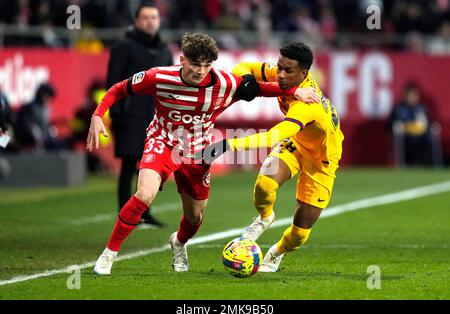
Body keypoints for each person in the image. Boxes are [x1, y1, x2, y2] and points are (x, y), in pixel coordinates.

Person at [87, 32, 318, 275]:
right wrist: (97, 114)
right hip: (163, 142)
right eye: (195, 64)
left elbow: (259, 88)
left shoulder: (224, 83)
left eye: (206, 65)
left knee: (195, 218)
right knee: (144, 194)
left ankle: (179, 242)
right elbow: (118, 89)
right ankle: (108, 254)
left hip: (199, 152)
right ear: (183, 59)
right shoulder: (159, 77)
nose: (200, 70)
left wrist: (293, 92)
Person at [198, 42, 344, 273]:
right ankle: (265, 218)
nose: (281, 75)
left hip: (321, 161)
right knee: (265, 183)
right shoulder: (282, 74)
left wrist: (227, 145)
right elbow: (242, 66)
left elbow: (272, 137)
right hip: (297, 143)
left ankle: (276, 252)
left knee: (299, 234)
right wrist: (247, 80)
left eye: (288, 71)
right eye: (280, 68)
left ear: (304, 74)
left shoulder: (307, 105)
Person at [107, 3, 173, 229]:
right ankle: (125, 214)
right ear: (136, 21)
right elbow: (113, 83)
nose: (150, 21)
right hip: (129, 116)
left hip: (156, 118)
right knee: (128, 166)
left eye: (154, 17)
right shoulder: (123, 47)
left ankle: (145, 213)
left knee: (150, 167)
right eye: (145, 17)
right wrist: (116, 114)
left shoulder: (164, 49)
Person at [389, 82, 434, 166]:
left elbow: (428, 122)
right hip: (405, 136)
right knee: (411, 141)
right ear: (406, 95)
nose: (414, 97)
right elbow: (391, 124)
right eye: (412, 94)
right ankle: (409, 164)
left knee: (428, 139)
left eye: (416, 95)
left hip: (421, 136)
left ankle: (425, 164)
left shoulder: (421, 107)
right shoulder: (399, 108)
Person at [14, 83, 60, 151]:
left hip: (43, 140)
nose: (48, 99)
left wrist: (50, 132)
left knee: (56, 144)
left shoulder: (46, 108)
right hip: (28, 141)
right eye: (47, 96)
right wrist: (36, 134)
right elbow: (25, 126)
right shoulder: (29, 107)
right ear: (41, 94)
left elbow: (46, 126)